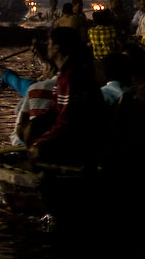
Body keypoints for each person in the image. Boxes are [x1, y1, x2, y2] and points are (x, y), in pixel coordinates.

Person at [30, 27, 106, 163]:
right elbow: (55, 110)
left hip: (82, 143)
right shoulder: (64, 73)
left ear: (57, 48)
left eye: (49, 43)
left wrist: (41, 143)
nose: (47, 46)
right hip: (72, 136)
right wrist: (34, 125)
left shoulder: (73, 76)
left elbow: (67, 122)